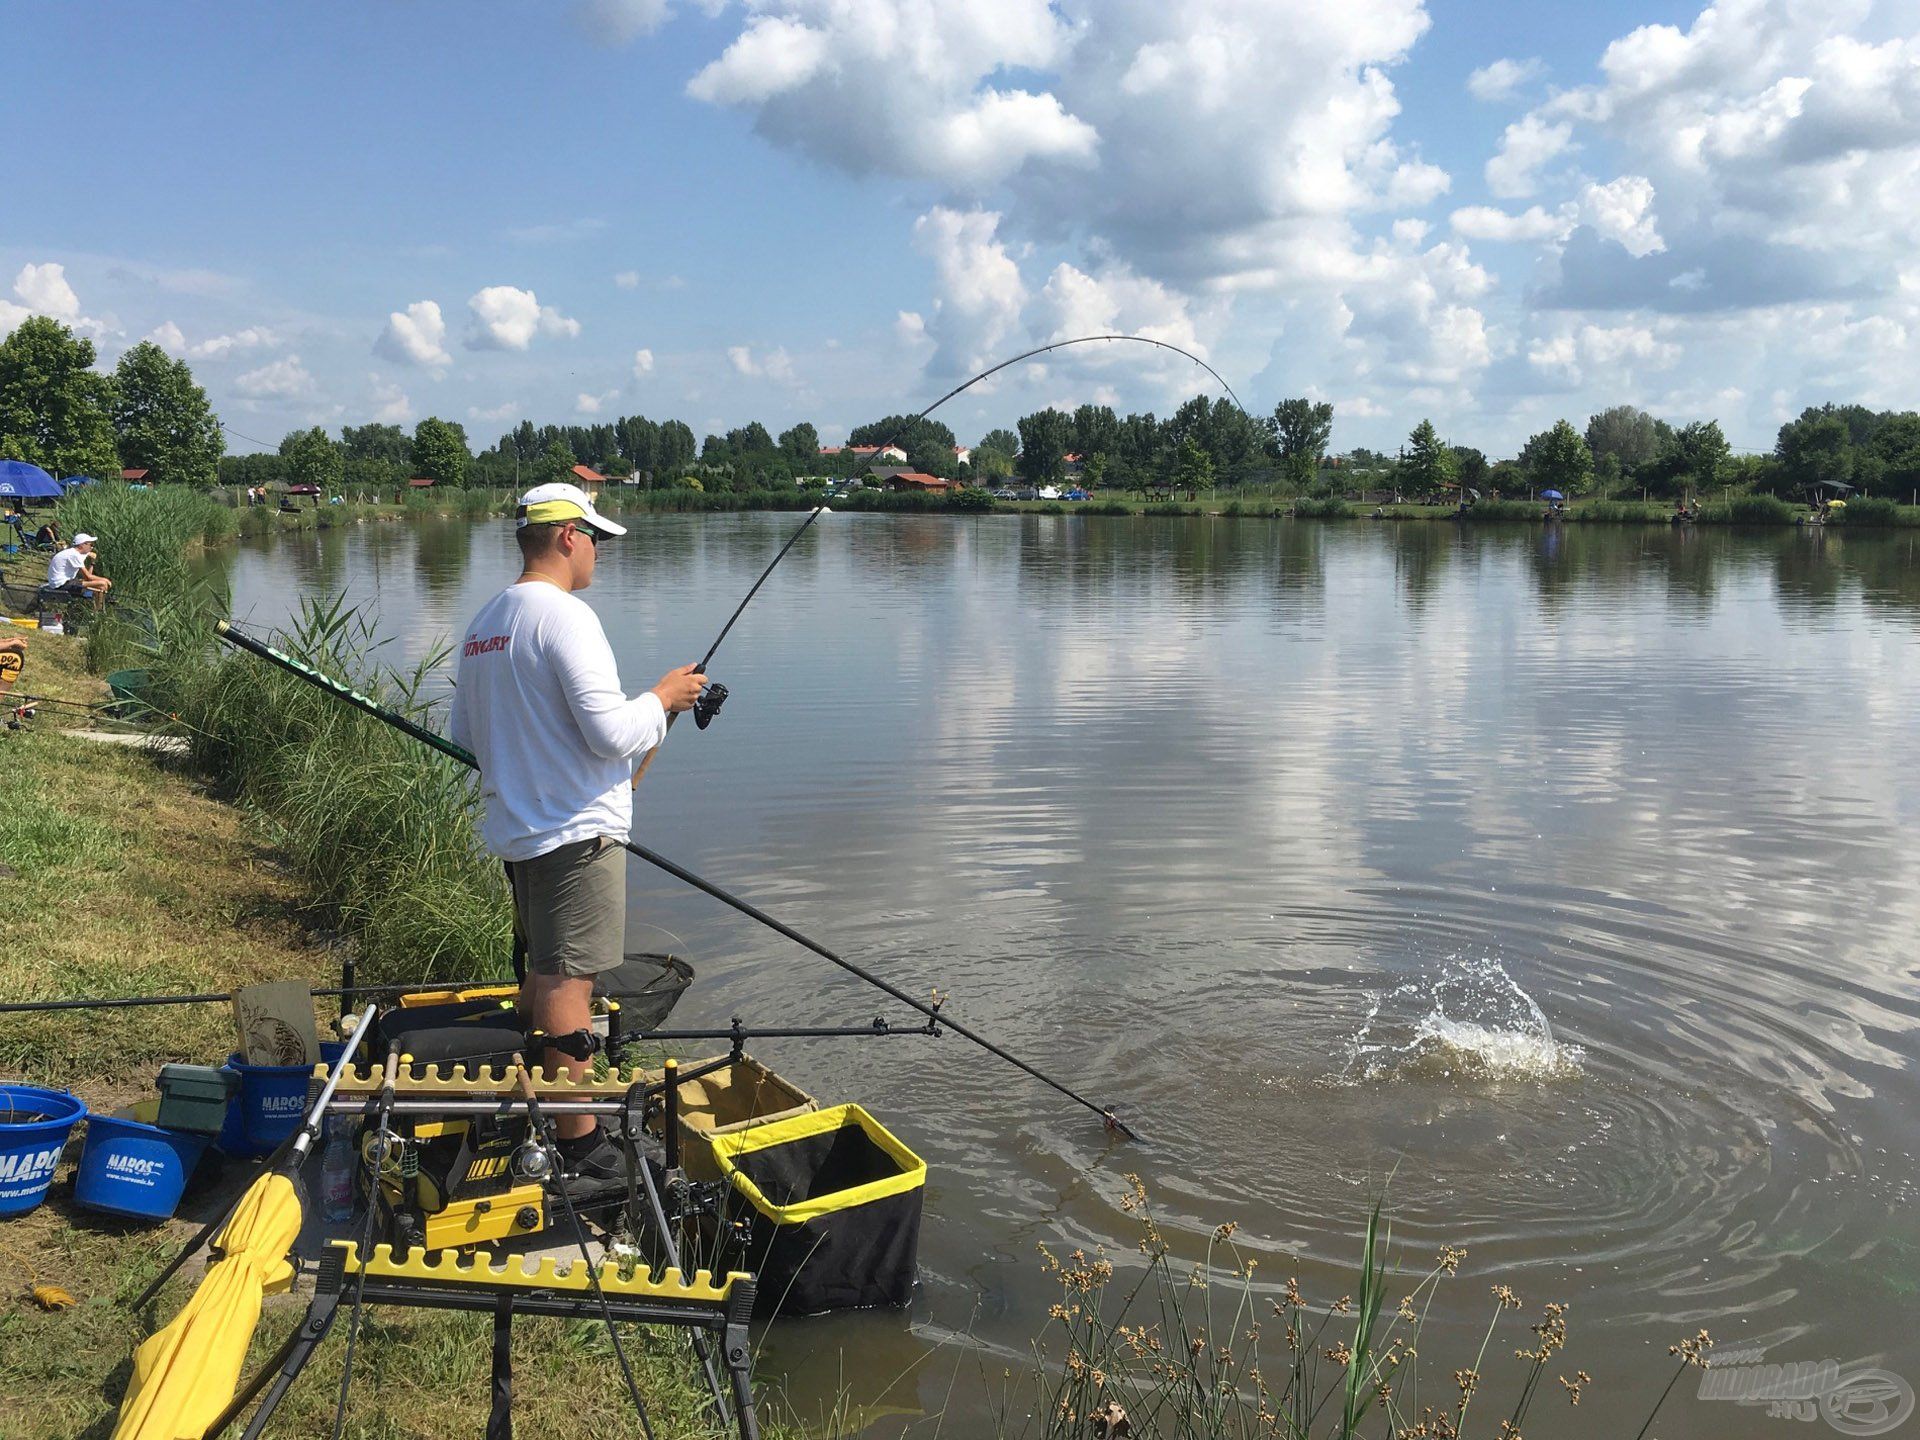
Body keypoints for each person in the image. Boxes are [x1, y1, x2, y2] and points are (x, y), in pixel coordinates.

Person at [448, 482, 705, 1187]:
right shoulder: (566, 616)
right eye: (595, 538)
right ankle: (579, 1142)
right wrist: (665, 698)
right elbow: (611, 732)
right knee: (569, 983)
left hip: (521, 834)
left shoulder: (486, 622)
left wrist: (541, 758)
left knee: (542, 973)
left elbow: (465, 735)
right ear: (567, 536)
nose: (598, 553)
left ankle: (541, 1102)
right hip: (575, 838)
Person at [46, 532, 111, 608]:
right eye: (91, 545)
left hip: (65, 582)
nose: (92, 548)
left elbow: (88, 577)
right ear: (82, 545)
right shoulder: (74, 555)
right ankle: (98, 612)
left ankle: (96, 609)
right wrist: (106, 580)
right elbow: (88, 577)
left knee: (99, 586)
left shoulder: (73, 553)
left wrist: (92, 563)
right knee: (102, 584)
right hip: (61, 585)